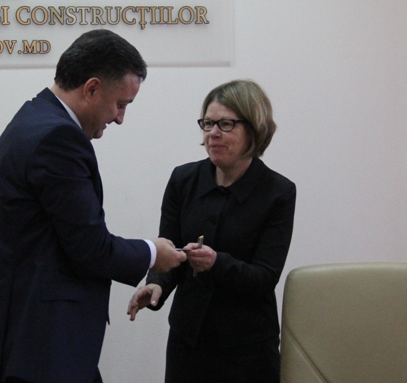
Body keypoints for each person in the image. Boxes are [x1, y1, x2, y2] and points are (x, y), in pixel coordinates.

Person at [0, 29, 186, 383]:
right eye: (121, 103)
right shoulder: (58, 138)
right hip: (33, 348)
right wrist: (153, 254)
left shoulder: (33, 118)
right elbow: (90, 249)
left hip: (21, 339)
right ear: (91, 89)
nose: (120, 117)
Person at [127, 79, 296, 382]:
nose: (213, 133)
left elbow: (264, 277)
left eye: (226, 124)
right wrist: (157, 285)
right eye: (207, 123)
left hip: (248, 349)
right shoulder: (183, 180)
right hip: (188, 342)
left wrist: (217, 263)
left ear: (254, 128)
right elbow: (172, 251)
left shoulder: (278, 192)